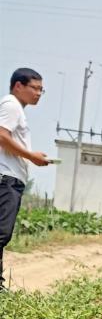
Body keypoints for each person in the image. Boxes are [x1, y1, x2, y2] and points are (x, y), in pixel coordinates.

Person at [0, 68, 51, 290]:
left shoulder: (17, 108)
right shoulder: (11, 104)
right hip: (6, 178)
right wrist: (31, 156)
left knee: (2, 233)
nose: (39, 93)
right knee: (1, 233)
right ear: (18, 86)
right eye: (35, 88)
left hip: (11, 178)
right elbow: (1, 135)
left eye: (41, 89)